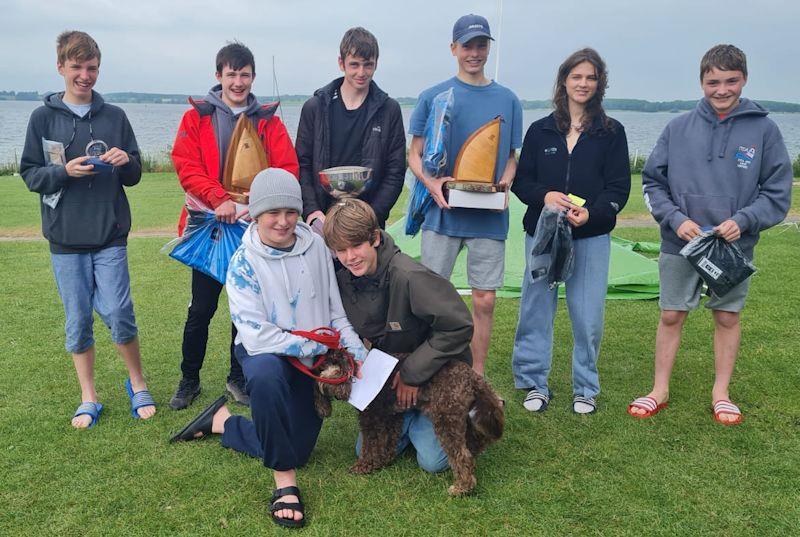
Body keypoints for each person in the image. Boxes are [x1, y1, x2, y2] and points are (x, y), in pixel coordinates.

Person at [170, 168, 367, 529]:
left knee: (298, 449)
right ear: (256, 214)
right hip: (268, 356)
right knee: (263, 374)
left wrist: (359, 356)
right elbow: (258, 337)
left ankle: (223, 422)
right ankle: (284, 483)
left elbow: (334, 312)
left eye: (290, 211)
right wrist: (313, 343)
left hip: (311, 357)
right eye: (272, 213)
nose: (282, 221)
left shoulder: (317, 248)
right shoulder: (242, 263)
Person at [629, 44, 792, 425]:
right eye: (713, 81)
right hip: (680, 243)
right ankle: (659, 389)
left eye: (731, 81)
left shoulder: (764, 130)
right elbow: (653, 183)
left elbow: (777, 192)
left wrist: (746, 219)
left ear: (744, 80)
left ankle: (721, 393)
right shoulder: (677, 127)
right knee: (671, 315)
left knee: (727, 317)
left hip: (732, 247)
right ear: (701, 81)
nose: (722, 89)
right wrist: (674, 218)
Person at [19, 31, 156, 428]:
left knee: (119, 312)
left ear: (99, 68)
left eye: (91, 67)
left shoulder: (114, 117)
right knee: (78, 321)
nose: (84, 75)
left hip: (109, 234)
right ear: (60, 67)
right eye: (76, 67)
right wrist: (64, 171)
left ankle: (137, 382)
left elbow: (134, 174)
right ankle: (89, 396)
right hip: (65, 240)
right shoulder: (42, 118)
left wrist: (123, 161)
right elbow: (30, 174)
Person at [169, 42, 300, 410]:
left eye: (244, 74)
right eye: (231, 74)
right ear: (218, 76)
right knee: (201, 308)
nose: (238, 82)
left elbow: (286, 169)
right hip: (211, 228)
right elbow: (186, 166)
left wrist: (258, 206)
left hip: (254, 229)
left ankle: (237, 377)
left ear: (253, 77)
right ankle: (189, 378)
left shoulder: (268, 121)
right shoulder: (196, 118)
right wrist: (218, 199)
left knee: (246, 309)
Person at [510, 49, 631, 415]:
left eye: (591, 77)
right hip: (543, 234)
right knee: (535, 309)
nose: (583, 83)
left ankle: (585, 387)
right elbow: (521, 182)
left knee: (587, 315)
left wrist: (591, 214)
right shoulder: (540, 130)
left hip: (590, 237)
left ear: (599, 84)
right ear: (564, 80)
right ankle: (534, 382)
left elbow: (619, 188)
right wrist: (544, 195)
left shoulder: (611, 133)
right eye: (576, 76)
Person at [407, 13, 522, 377]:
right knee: (430, 299)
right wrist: (432, 185)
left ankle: (477, 376)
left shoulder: (508, 99)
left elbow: (511, 157)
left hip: (488, 217)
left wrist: (504, 184)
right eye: (467, 45)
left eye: (481, 45)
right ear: (453, 48)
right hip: (441, 214)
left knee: (484, 300)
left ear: (489, 48)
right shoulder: (432, 97)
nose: (475, 52)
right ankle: (429, 374)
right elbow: (415, 154)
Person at [322, 198, 474, 473]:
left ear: (375, 238)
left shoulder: (409, 275)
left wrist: (413, 375)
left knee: (433, 462)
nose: (350, 257)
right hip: (391, 377)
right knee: (365, 451)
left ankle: (456, 412)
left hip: (436, 374)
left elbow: (459, 325)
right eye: (340, 250)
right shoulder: (344, 279)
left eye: (356, 245)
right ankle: (408, 415)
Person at [296, 26, 406, 230]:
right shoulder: (315, 107)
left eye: (368, 65)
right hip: (322, 219)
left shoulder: (389, 109)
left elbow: (395, 171)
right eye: (354, 64)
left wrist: (373, 214)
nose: (361, 73)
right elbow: (302, 164)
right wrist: (311, 211)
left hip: (369, 221)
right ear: (341, 63)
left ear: (376, 64)